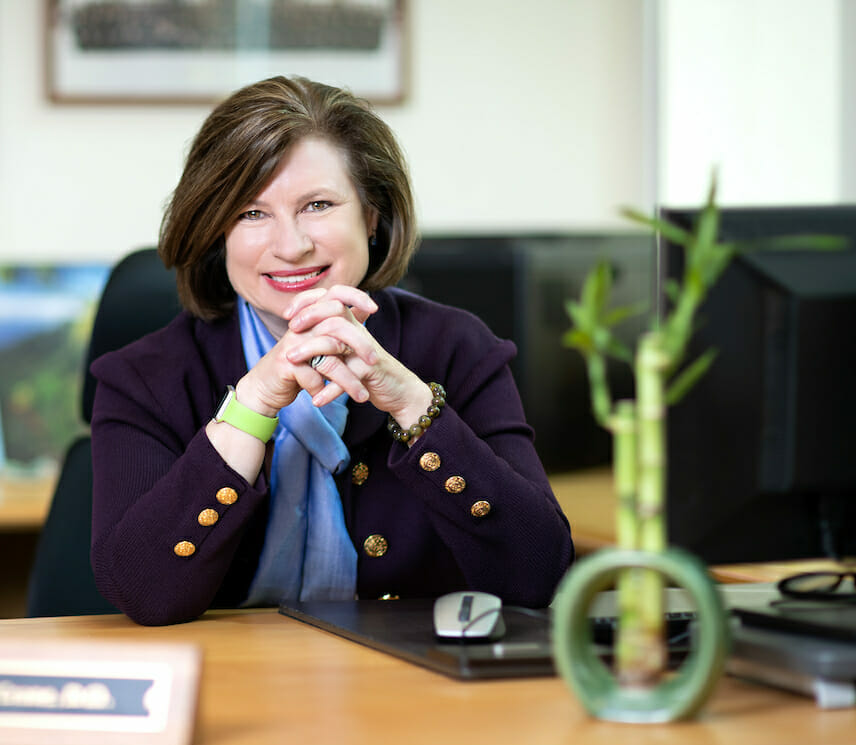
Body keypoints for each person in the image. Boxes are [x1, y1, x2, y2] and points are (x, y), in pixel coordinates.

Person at [89, 75, 573, 626]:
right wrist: (253, 405)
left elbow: (536, 576)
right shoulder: (142, 377)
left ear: (371, 216)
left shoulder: (458, 349)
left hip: (407, 691)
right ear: (214, 230)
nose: (291, 245)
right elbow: (140, 592)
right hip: (223, 686)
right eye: (252, 213)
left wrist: (413, 406)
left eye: (317, 204)